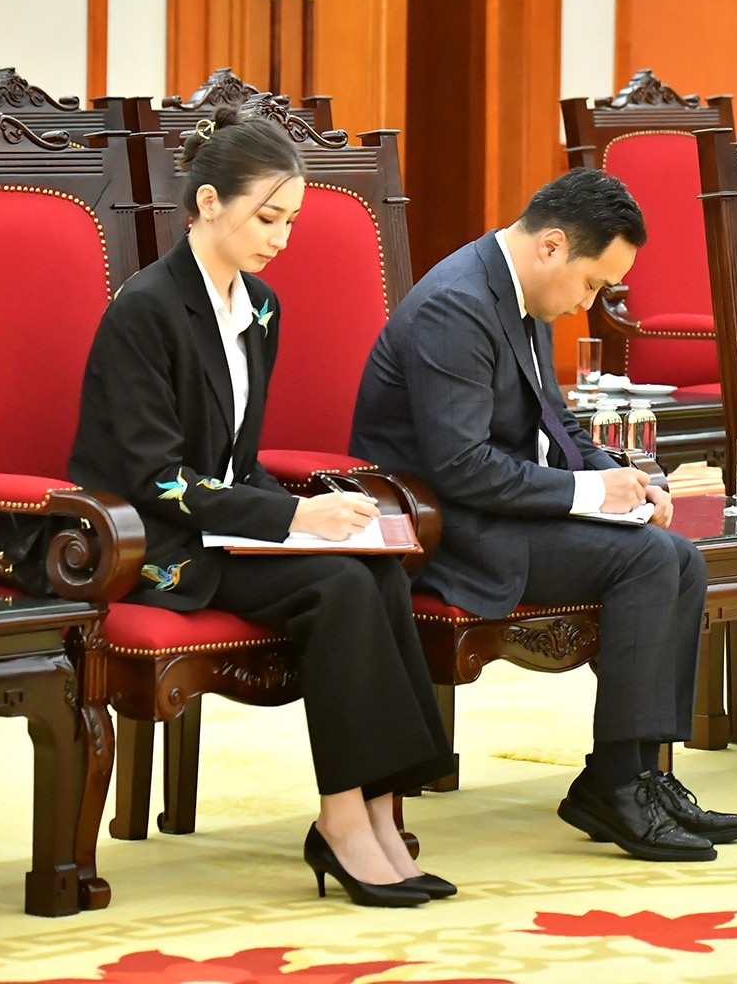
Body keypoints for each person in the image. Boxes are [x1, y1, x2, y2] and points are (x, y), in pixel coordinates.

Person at [68, 110, 456, 908]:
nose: (280, 238)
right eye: (267, 217)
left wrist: (316, 515)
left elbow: (239, 459)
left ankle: (382, 813)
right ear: (209, 202)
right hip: (151, 546)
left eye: (291, 222)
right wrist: (290, 520)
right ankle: (342, 818)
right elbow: (155, 478)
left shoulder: (262, 307)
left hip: (223, 529)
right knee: (340, 585)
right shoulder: (145, 309)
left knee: (378, 572)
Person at [350, 168, 737, 862]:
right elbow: (460, 467)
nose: (589, 303)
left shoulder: (520, 291)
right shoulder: (457, 306)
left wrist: (622, 479)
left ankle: (643, 774)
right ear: (552, 246)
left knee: (681, 555)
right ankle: (615, 786)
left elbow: (555, 424)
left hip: (500, 510)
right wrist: (591, 496)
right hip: (443, 528)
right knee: (647, 560)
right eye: (592, 284)